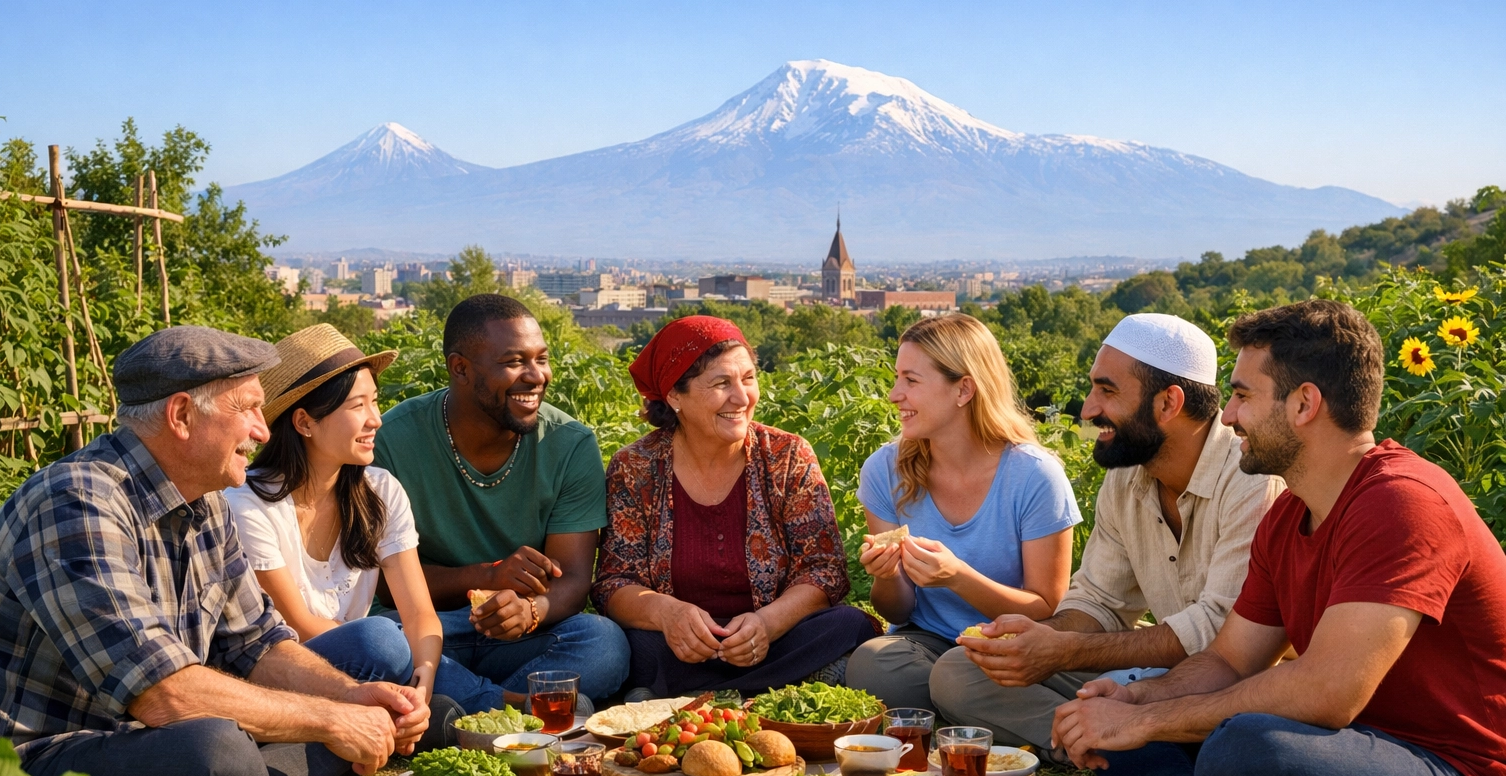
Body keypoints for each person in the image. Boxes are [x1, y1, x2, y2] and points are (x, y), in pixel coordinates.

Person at [1051, 300, 1506, 776]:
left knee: (1244, 749)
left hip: (1464, 773)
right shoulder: (1289, 513)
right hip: (1353, 745)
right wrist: (1139, 705)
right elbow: (1229, 660)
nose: (1229, 416)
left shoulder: (1402, 503)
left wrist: (1150, 723)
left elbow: (1327, 691)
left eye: (1241, 396)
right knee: (1125, 709)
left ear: (1304, 404)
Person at [0, 327, 430, 776]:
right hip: (26, 765)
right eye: (250, 409)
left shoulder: (204, 503)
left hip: (145, 739)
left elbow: (259, 645)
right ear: (182, 416)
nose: (263, 431)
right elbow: (163, 696)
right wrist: (332, 723)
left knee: (359, 678)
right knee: (217, 752)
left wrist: (352, 699)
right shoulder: (77, 503)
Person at [935, 314, 1283, 757]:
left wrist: (1067, 651)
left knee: (1235, 732)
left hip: (1234, 685)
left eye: (1107, 390)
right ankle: (1103, 742)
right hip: (1156, 673)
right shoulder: (1128, 477)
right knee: (958, 672)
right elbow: (1100, 599)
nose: (1088, 409)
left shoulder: (1250, 476)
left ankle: (1126, 747)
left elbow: (1222, 632)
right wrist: (1045, 640)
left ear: (1168, 404)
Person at [225, 324, 501, 734]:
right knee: (381, 638)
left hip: (370, 664)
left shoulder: (380, 490)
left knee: (594, 642)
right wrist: (398, 648)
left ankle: (429, 710)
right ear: (304, 422)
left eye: (375, 402)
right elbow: (298, 627)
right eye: (358, 406)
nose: (376, 419)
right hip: (287, 671)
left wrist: (423, 678)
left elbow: (421, 614)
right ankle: (497, 706)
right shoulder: (249, 504)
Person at [592, 316, 879, 698]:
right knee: (623, 646)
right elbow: (614, 582)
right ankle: (783, 688)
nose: (742, 398)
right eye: (721, 383)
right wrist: (668, 614)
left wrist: (767, 624)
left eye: (748, 379)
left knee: (847, 624)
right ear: (675, 396)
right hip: (677, 648)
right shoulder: (636, 466)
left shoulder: (787, 456)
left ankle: (676, 699)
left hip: (772, 640)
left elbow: (824, 570)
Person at [372, 294, 628, 709]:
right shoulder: (394, 440)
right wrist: (487, 577)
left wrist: (531, 610)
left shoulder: (569, 444)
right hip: (426, 627)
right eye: (513, 362)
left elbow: (575, 578)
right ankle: (520, 710)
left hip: (523, 634)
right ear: (460, 368)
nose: (536, 376)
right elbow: (382, 582)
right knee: (379, 645)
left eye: (541, 359)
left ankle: (454, 709)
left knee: (604, 642)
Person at [845, 313, 1082, 712]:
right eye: (897, 378)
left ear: (964, 390)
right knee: (873, 665)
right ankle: (980, 700)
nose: (894, 394)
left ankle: (1041, 719)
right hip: (929, 642)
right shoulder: (884, 470)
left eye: (911, 380)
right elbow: (896, 610)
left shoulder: (1034, 476)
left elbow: (1046, 608)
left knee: (955, 674)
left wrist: (958, 577)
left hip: (1015, 640)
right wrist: (887, 575)